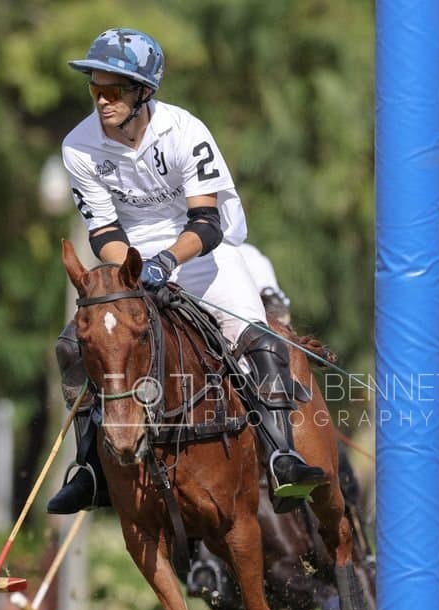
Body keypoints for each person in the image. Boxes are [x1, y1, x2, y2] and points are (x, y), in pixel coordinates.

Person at [47, 27, 326, 515]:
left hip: (198, 252)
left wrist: (169, 261)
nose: (102, 100)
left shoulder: (184, 131)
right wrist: (133, 270)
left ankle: (283, 457)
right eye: (95, 88)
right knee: (76, 344)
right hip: (129, 256)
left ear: (143, 93)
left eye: (114, 90)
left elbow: (206, 222)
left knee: (256, 337)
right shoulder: (79, 147)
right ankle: (90, 468)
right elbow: (102, 233)